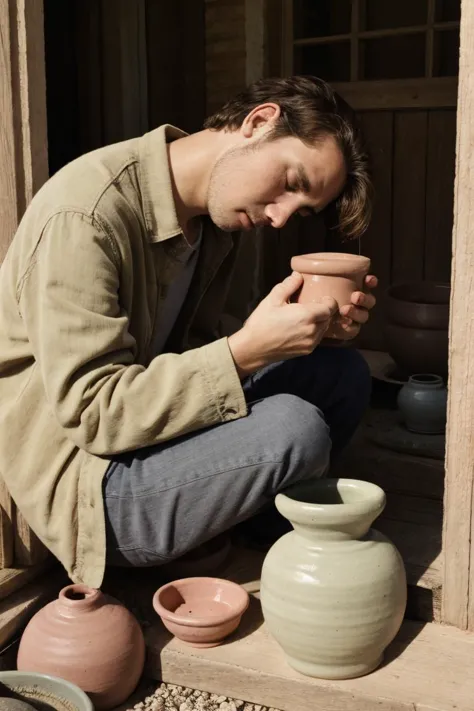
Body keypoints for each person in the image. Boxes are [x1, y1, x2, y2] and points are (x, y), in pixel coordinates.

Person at [0, 75, 376, 586]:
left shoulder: (216, 222)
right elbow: (94, 413)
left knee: (340, 372)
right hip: (92, 485)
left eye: (302, 210)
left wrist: (308, 332)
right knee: (295, 427)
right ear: (259, 122)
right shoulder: (86, 214)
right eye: (291, 183)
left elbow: (195, 349)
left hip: (155, 434)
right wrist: (247, 351)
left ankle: (247, 525)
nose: (282, 217)